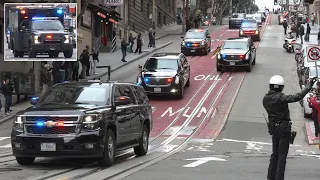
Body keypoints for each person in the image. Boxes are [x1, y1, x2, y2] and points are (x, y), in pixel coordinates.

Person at [263, 75, 317, 180]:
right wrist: (308, 87)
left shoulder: (265, 99)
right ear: (281, 87)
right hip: (284, 129)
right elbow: (296, 97)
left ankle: (270, 177)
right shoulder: (281, 98)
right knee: (282, 155)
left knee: (275, 154)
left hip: (274, 129)